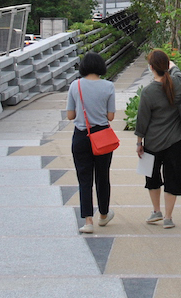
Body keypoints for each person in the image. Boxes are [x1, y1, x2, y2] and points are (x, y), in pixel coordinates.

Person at [135, 49, 181, 229]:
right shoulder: (177, 84)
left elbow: (142, 120)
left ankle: (156, 210)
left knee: (152, 177)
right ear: (167, 66)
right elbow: (178, 73)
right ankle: (168, 217)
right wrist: (171, 65)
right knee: (173, 178)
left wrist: (139, 143)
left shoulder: (148, 92)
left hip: (153, 142)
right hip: (175, 141)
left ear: (150, 68)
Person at [66, 52, 117, 234]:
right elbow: (110, 116)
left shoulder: (75, 86)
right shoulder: (109, 86)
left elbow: (70, 115)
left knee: (84, 179)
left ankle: (88, 220)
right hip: (102, 136)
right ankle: (103, 215)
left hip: (81, 136)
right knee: (103, 177)